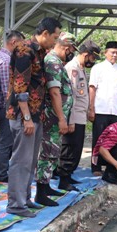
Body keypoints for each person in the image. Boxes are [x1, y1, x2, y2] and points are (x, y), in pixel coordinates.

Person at [6, 17, 62, 218]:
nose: (55, 42)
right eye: (55, 37)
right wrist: (27, 118)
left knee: (30, 160)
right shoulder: (25, 50)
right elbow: (20, 87)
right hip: (24, 116)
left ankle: (25, 198)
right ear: (45, 33)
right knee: (21, 160)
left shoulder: (39, 52)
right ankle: (16, 204)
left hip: (35, 115)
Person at [35, 32, 77, 206]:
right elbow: (54, 92)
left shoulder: (58, 62)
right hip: (52, 117)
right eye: (71, 50)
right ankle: (40, 192)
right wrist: (61, 118)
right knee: (46, 152)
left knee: (53, 152)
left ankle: (46, 186)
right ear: (66, 48)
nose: (71, 54)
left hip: (56, 117)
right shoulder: (53, 62)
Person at [57, 40, 101, 188]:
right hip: (73, 115)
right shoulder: (72, 68)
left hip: (80, 115)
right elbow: (70, 96)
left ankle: (68, 176)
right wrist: (70, 120)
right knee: (69, 148)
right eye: (93, 58)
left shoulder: (80, 68)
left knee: (76, 149)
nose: (93, 61)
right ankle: (63, 178)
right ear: (85, 54)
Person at [0, 30, 25, 182]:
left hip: (3, 106)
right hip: (6, 106)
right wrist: (14, 108)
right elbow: (6, 89)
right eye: (21, 45)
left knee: (3, 139)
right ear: (13, 42)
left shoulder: (3, 57)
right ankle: (1, 173)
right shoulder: (5, 61)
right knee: (7, 141)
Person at [88, 41, 117, 176]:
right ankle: (96, 167)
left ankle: (112, 169)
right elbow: (92, 88)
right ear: (106, 53)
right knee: (99, 139)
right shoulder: (97, 68)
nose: (115, 55)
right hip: (100, 109)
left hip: (116, 111)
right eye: (112, 52)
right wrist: (91, 108)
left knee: (115, 140)